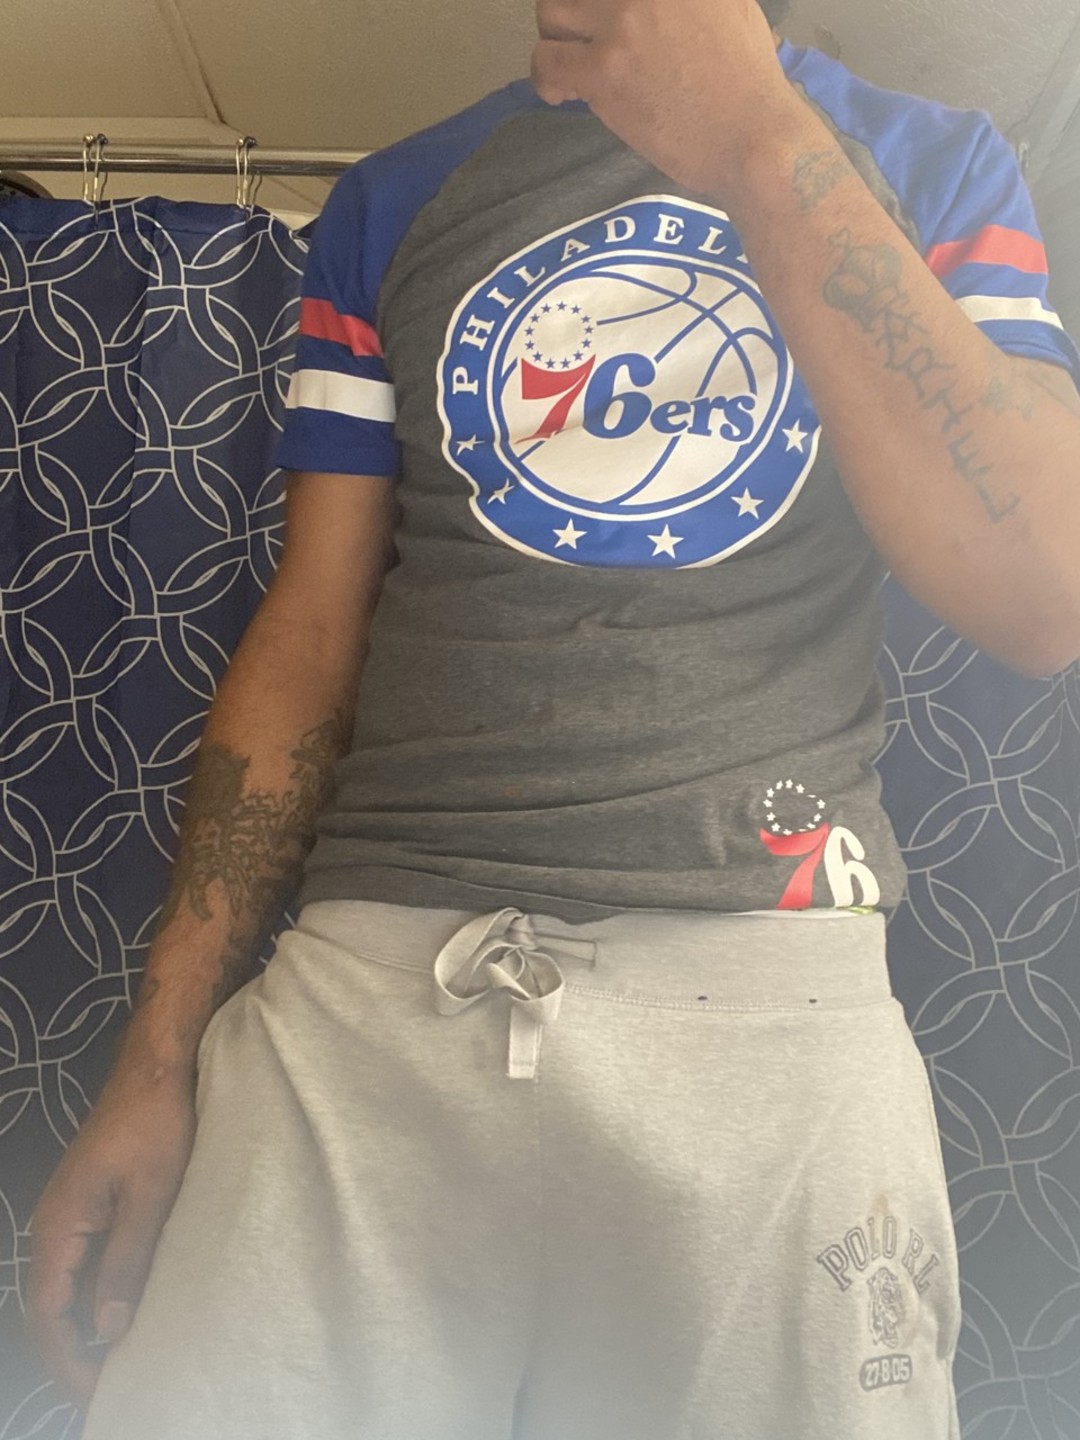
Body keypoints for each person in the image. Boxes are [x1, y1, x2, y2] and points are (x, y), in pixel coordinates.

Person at [27, 1, 1080, 1436]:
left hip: (770, 1006)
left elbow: (1044, 594)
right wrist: (156, 1062)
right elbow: (311, 635)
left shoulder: (936, 164)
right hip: (364, 1009)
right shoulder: (390, 198)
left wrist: (757, 134)